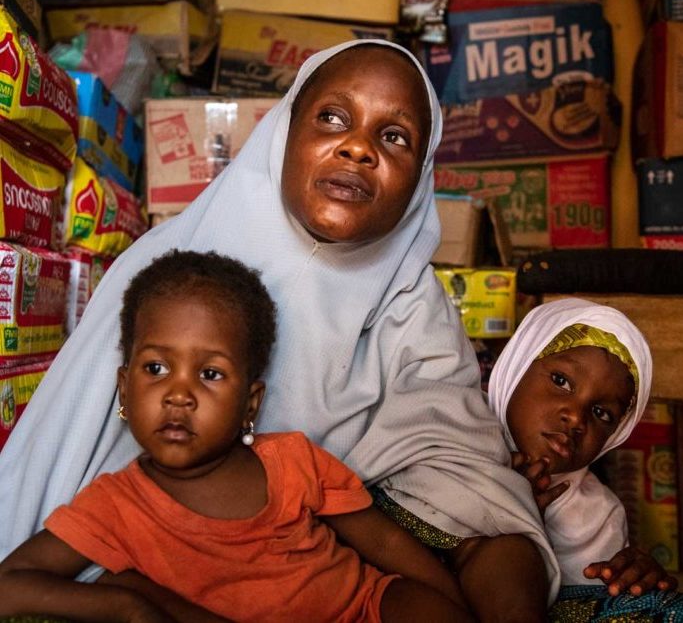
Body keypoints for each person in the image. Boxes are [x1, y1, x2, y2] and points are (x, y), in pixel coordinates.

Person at [0, 39, 559, 620]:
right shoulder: (171, 278)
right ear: (284, 132)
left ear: (421, 179)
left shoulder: (417, 315)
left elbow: (475, 498)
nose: (359, 148)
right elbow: (61, 467)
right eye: (333, 118)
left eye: (395, 137)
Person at [0, 250, 474, 622]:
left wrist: (454, 606)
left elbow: (389, 548)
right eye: (156, 368)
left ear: (250, 403)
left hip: (362, 609)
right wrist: (126, 608)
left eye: (209, 373)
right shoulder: (116, 505)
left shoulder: (291, 463)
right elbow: (11, 582)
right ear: (124, 387)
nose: (178, 394)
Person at [486, 298, 679, 597]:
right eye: (561, 381)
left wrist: (634, 591)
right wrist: (506, 515)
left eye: (602, 414)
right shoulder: (450, 448)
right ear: (516, 366)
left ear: (614, 435)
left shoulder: (600, 519)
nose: (576, 418)